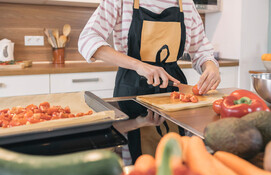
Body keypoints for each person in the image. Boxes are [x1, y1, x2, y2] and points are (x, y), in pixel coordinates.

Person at [78, 0, 220, 163]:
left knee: (178, 161)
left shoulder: (186, 3)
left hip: (174, 93)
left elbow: (201, 48)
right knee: (137, 162)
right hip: (132, 90)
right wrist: (138, 65)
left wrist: (211, 67)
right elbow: (87, 40)